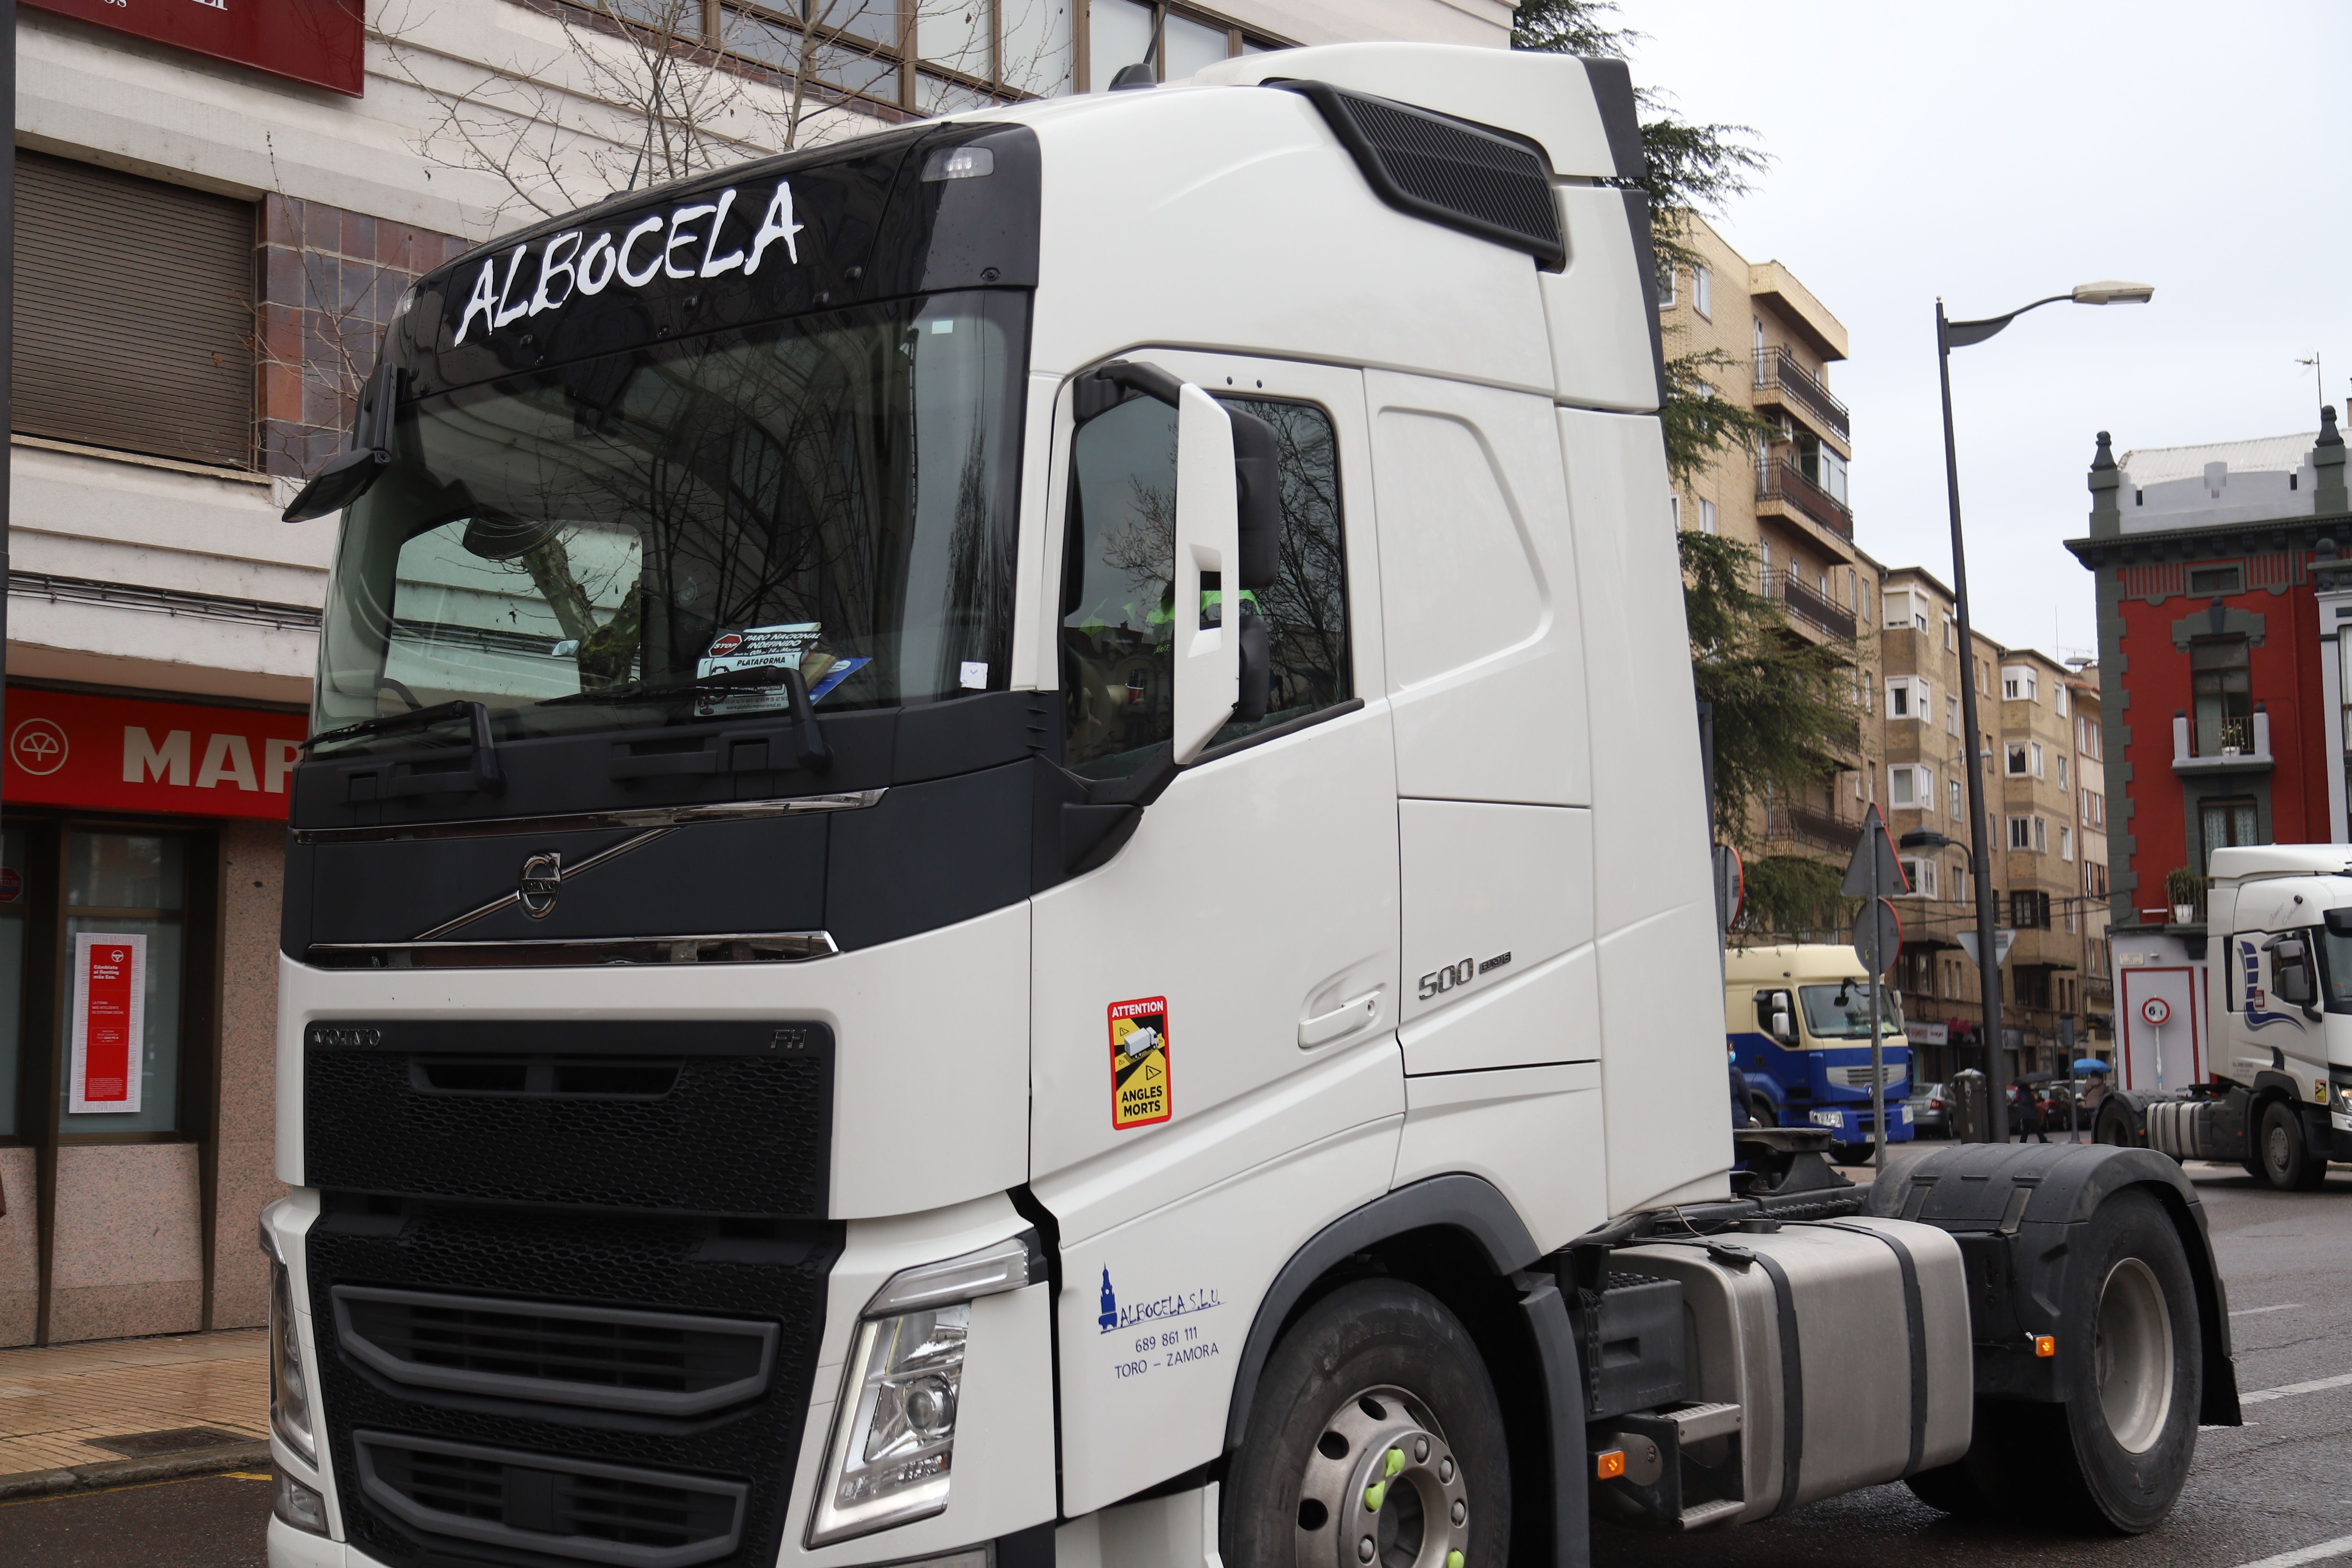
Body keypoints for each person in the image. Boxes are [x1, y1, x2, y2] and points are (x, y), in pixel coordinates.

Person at [2012, 1078, 2047, 1143]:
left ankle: (2023, 1142)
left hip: (2026, 1112)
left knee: (2026, 1128)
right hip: (2028, 1112)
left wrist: (2035, 1098)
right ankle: (2043, 1140)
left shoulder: (2025, 1091)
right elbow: (2026, 1101)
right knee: (2036, 1127)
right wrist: (2034, 1099)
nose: (2031, 1084)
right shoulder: (2024, 1091)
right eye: (2030, 1083)